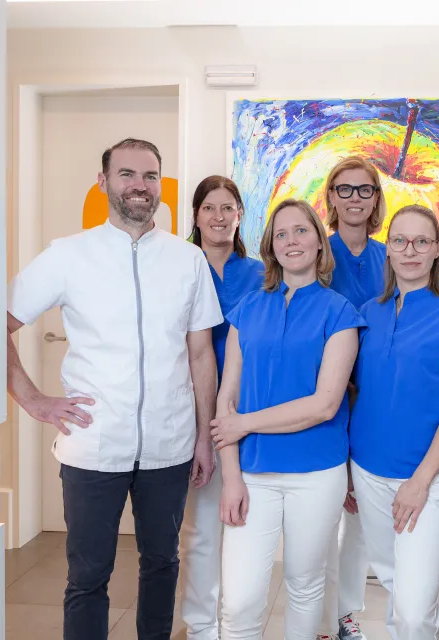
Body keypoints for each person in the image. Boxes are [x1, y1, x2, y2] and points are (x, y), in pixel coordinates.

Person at [6, 138, 223, 640]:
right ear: (103, 181)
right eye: (127, 174)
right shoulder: (67, 255)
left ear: (161, 186)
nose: (139, 186)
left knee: (162, 562)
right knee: (87, 576)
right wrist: (33, 401)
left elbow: (200, 355)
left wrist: (203, 437)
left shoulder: (187, 260)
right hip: (93, 446)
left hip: (169, 445)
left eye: (150, 176)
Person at [210, 199, 364, 640]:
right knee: (239, 601)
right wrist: (231, 477)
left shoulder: (340, 312)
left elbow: (324, 405)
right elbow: (227, 399)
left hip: (316, 473)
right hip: (252, 473)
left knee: (305, 585)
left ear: (319, 241)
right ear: (270, 247)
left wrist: (246, 423)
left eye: (301, 231)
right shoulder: (247, 309)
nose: (291, 241)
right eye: (281, 234)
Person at [349, 205, 439, 640]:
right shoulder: (367, 313)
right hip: (368, 471)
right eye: (400, 241)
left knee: (413, 610)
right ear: (387, 249)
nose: (410, 250)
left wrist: (421, 481)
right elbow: (354, 392)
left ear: (437, 250)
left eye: (421, 241)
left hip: (430, 478)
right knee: (395, 587)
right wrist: (349, 470)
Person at [179, 176, 264, 640]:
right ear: (195, 214)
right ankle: (199, 626)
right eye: (209, 207)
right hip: (193, 411)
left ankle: (237, 624)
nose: (218, 216)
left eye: (227, 207)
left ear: (239, 215)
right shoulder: (178, 266)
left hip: (251, 412)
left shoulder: (260, 274)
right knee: (201, 529)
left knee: (245, 528)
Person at [319, 156, 388, 640]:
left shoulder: (393, 254)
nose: (355, 198)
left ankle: (346, 613)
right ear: (331, 196)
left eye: (365, 189)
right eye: (345, 189)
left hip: (376, 400)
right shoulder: (317, 251)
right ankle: (321, 617)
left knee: (360, 513)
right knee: (325, 510)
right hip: (326, 397)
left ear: (376, 198)